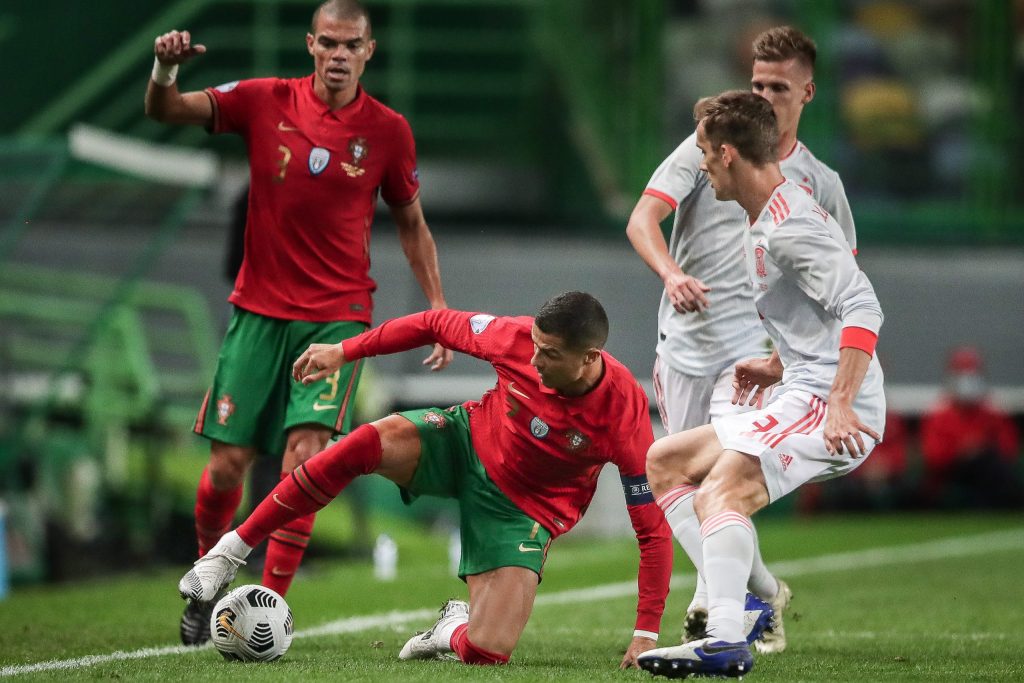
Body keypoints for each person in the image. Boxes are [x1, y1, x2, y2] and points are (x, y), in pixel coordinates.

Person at [144, 0, 452, 645]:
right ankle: (210, 579)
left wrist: (436, 308)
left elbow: (411, 223)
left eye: (352, 45)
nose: (339, 55)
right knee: (228, 465)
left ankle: (268, 604)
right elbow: (166, 111)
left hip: (337, 319)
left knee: (305, 457)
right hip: (257, 311)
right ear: (310, 44)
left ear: (370, 52)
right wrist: (163, 72)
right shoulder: (263, 100)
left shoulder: (388, 131)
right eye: (329, 43)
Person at [177, 292, 674, 668]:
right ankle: (229, 552)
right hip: (463, 443)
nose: (535, 359)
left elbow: (652, 530)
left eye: (550, 355)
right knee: (362, 444)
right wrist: (345, 351)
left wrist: (646, 633)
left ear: (590, 358)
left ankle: (451, 627)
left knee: (489, 650)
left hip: (524, 511)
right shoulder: (516, 339)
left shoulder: (624, 416)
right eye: (536, 347)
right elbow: (433, 322)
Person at [636, 91, 885, 679]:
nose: (699, 165)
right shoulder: (767, 216)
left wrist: (841, 403)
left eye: (703, 153)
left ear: (726, 155)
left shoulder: (788, 226)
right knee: (665, 461)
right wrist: (775, 365)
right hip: (802, 381)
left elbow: (862, 306)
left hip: (829, 398)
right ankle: (755, 602)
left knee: (722, 491)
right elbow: (815, 313)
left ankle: (725, 635)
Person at [919, 346, 1021, 509]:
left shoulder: (992, 412)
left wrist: (981, 449)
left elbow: (1009, 449)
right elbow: (934, 457)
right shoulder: (939, 413)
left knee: (992, 466)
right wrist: (962, 451)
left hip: (987, 471)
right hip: (953, 472)